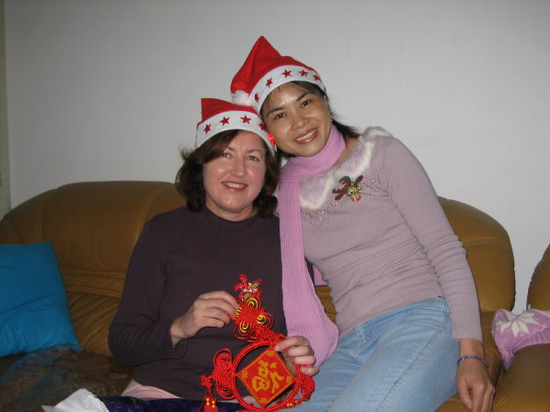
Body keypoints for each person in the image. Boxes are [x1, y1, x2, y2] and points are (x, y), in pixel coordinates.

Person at [229, 36, 495, 412]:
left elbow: (445, 249)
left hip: (423, 320)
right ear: (269, 130)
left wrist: (472, 354)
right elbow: (275, 282)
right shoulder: (281, 197)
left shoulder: (381, 154)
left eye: (305, 102)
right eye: (280, 114)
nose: (299, 121)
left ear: (324, 102)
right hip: (350, 342)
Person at [108, 98, 317, 409]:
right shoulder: (162, 232)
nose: (238, 170)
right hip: (164, 391)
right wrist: (180, 327)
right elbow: (122, 345)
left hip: (250, 398)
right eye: (224, 154)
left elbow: (293, 347)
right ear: (201, 165)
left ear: (267, 173)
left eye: (253, 158)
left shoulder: (289, 239)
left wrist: (287, 366)